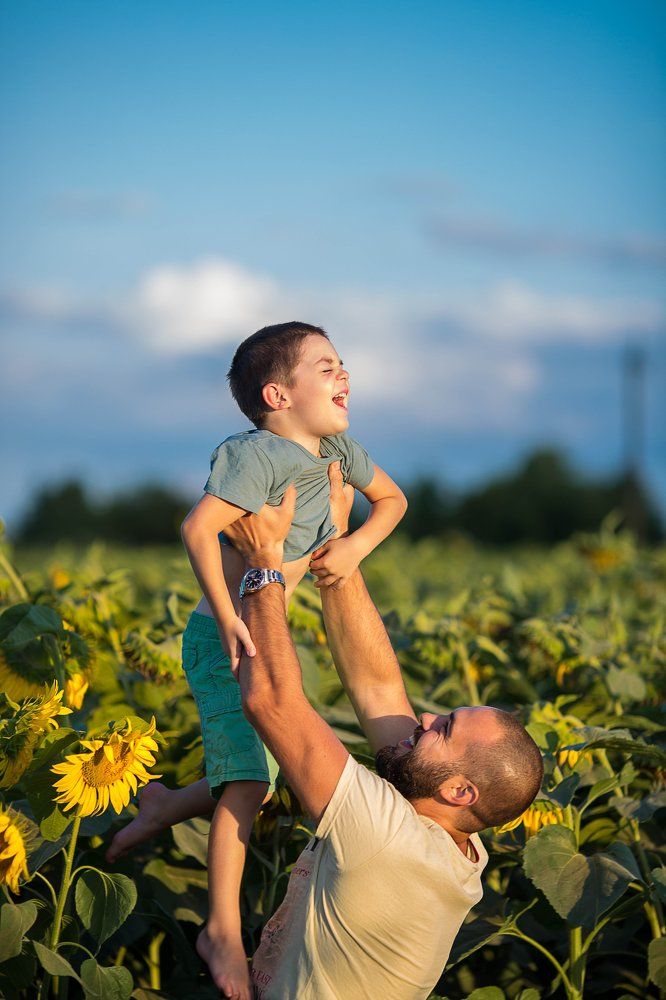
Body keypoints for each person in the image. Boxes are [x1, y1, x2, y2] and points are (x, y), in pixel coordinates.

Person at [108, 465, 544, 1000]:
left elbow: (269, 701)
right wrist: (336, 558)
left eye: (445, 728)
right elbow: (377, 688)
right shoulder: (457, 835)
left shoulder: (388, 840)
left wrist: (264, 566)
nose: (425, 719)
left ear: (459, 791)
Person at [108, 322, 407, 999]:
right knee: (248, 784)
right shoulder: (255, 455)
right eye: (326, 368)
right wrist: (233, 615)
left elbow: (394, 500)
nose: (344, 376)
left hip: (259, 628)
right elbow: (198, 528)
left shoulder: (338, 449)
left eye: (343, 366)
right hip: (225, 636)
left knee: (257, 780)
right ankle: (221, 931)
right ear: (278, 393)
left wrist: (354, 547)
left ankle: (160, 809)